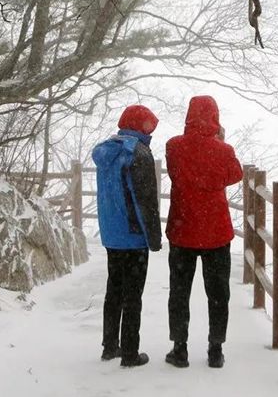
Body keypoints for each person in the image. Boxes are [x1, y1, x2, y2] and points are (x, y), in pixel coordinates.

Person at [164, 95, 243, 369]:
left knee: (179, 291)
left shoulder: (174, 146)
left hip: (182, 230)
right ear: (215, 116)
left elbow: (176, 173)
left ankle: (180, 348)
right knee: (218, 293)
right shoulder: (223, 150)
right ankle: (215, 349)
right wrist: (219, 142)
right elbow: (236, 175)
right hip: (216, 234)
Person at [92, 105, 162, 368]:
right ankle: (131, 353)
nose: (151, 131)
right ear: (138, 125)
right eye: (148, 126)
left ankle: (110, 346)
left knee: (114, 290)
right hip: (134, 235)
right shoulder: (138, 153)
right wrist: (153, 238)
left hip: (112, 233)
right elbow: (146, 201)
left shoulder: (107, 150)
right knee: (133, 295)